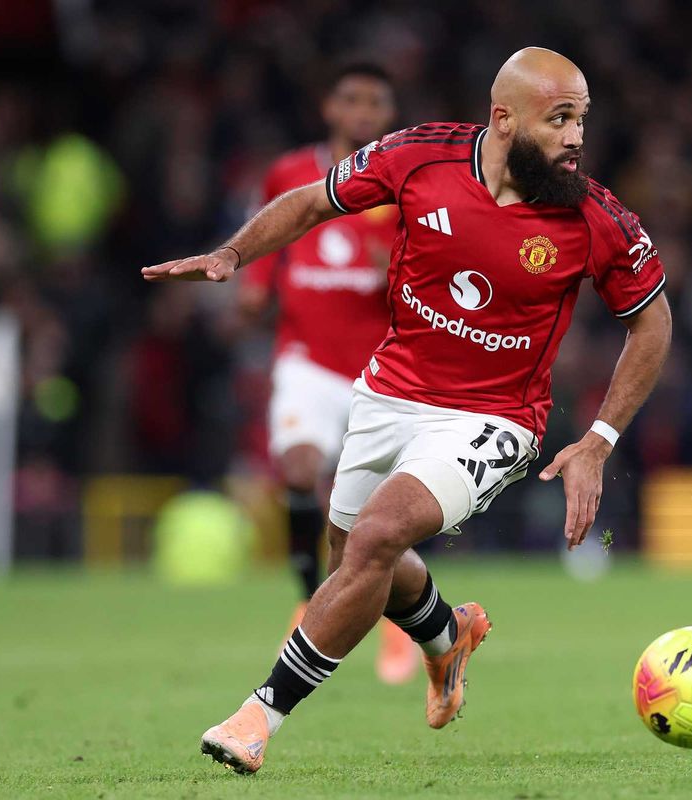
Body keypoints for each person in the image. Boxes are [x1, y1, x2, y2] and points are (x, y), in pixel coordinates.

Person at [142, 47, 672, 774]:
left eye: (581, 119)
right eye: (559, 119)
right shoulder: (419, 158)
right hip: (388, 392)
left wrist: (599, 441)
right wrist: (235, 255)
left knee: (377, 537)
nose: (576, 137)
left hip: (495, 418)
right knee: (356, 558)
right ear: (503, 117)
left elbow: (653, 321)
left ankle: (256, 717)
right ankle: (445, 636)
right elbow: (311, 200)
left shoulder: (593, 215)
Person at [238, 63, 419, 685]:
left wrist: (389, 268)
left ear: (389, 112)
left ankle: (398, 629)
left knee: (378, 517)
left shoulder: (403, 187)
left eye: (376, 101)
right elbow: (274, 235)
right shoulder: (291, 174)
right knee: (296, 465)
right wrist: (255, 284)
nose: (363, 111)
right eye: (352, 99)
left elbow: (426, 287)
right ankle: (304, 597)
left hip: (380, 369)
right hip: (307, 359)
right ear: (329, 107)